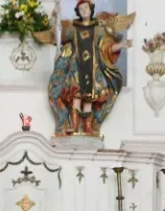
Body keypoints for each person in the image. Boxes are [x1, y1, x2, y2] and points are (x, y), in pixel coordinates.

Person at [46, 1, 134, 136]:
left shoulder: (98, 29)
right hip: (77, 66)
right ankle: (74, 126)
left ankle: (88, 127)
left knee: (90, 99)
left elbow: (106, 48)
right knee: (76, 95)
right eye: (81, 9)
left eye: (86, 8)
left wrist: (121, 45)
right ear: (78, 11)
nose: (84, 11)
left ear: (91, 9)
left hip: (93, 67)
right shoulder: (73, 27)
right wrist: (55, 18)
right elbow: (59, 35)